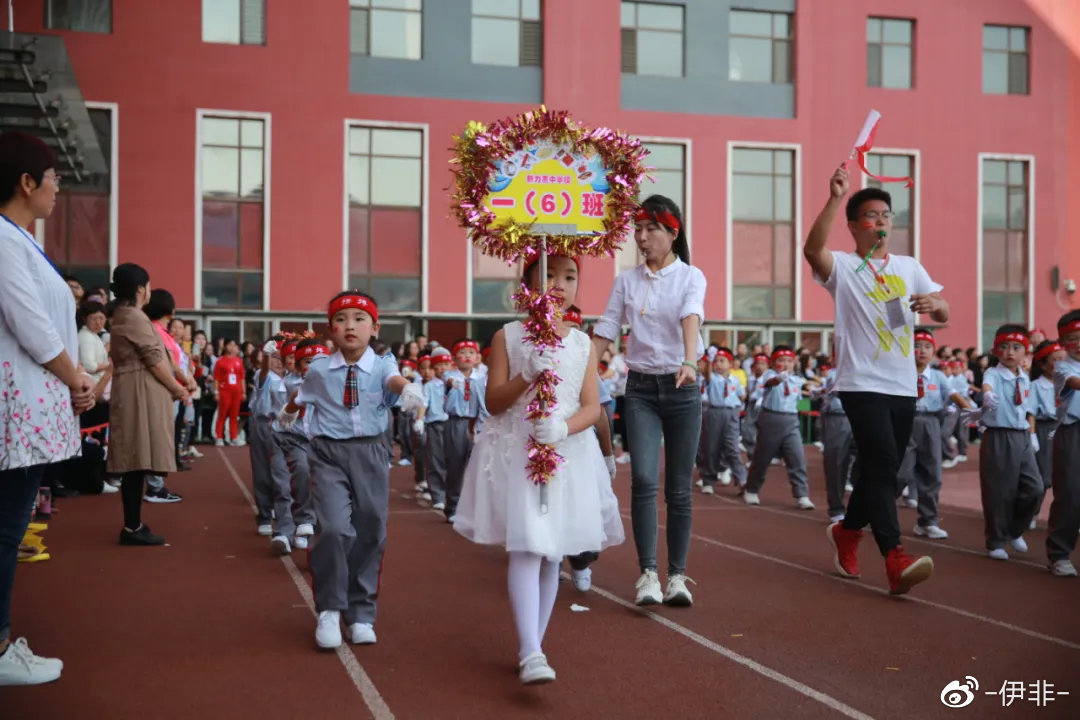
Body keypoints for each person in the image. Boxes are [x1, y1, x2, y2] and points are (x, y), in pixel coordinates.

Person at [453, 251, 623, 684]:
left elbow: (591, 406)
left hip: (567, 453)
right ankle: (530, 650)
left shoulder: (582, 343)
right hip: (519, 453)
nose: (561, 284)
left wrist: (563, 427)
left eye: (570, 276)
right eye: (549, 275)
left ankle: (535, 643)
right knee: (528, 545)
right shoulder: (508, 336)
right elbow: (492, 402)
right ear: (528, 283)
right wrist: (525, 376)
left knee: (552, 554)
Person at [804, 167, 944, 595]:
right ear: (853, 225)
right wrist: (834, 198)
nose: (881, 222)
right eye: (870, 216)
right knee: (883, 460)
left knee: (881, 468)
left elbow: (943, 313)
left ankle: (848, 531)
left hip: (902, 384)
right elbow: (813, 250)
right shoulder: (844, 267)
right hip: (860, 382)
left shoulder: (908, 266)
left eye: (886, 215)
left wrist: (936, 304)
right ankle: (894, 555)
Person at [277, 291, 422, 649]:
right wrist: (288, 413)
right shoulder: (320, 370)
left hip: (371, 453)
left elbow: (394, 382)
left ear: (375, 327)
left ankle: (360, 613)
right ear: (331, 330)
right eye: (341, 320)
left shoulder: (383, 365)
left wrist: (409, 391)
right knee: (335, 529)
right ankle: (329, 608)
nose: (350, 326)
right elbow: (300, 396)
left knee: (371, 529)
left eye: (359, 319)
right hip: (328, 454)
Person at [0, 131, 93, 686]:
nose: (58, 187)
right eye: (53, 176)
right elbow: (31, 324)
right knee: (6, 530)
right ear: (26, 182)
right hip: (17, 410)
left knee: (8, 527)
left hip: (29, 405)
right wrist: (75, 377)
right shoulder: (4, 240)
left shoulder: (18, 239)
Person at [592, 194, 706, 607]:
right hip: (640, 390)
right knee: (642, 480)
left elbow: (690, 314)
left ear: (673, 233)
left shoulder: (691, 276)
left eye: (650, 229)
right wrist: (582, 369)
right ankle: (648, 575)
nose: (641, 237)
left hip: (681, 388)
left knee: (678, 489)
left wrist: (690, 360)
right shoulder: (627, 280)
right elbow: (606, 326)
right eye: (637, 230)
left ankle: (677, 576)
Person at [106, 264, 189, 545]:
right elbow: (154, 359)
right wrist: (176, 388)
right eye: (148, 285)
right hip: (137, 393)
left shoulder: (130, 316)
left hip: (138, 390)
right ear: (140, 289)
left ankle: (134, 523)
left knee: (138, 459)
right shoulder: (132, 317)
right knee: (135, 459)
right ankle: (132, 526)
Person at [899, 328, 971, 540]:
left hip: (931, 423)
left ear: (933, 352)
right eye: (916, 346)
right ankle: (879, 514)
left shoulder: (938, 376)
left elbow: (953, 395)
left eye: (927, 347)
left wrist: (970, 411)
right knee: (901, 473)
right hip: (906, 422)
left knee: (932, 474)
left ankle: (927, 521)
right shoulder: (901, 373)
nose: (922, 351)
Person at [978, 326, 1041, 560]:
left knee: (1034, 487)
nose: (1010, 353)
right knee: (1000, 491)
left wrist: (1032, 434)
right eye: (1004, 347)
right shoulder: (994, 373)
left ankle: (1015, 530)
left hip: (1022, 436)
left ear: (1026, 352)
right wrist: (986, 394)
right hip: (999, 435)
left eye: (1016, 348)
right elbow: (988, 385)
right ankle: (996, 540)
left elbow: (1028, 409)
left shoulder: (1024, 378)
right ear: (996, 351)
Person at [742, 347, 818, 509]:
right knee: (762, 458)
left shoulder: (796, 379)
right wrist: (780, 378)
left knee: (797, 458)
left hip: (791, 420)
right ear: (773, 363)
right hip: (771, 418)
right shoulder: (769, 375)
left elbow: (803, 396)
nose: (785, 364)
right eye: (781, 361)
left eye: (789, 361)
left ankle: (802, 494)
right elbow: (771, 383)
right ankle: (752, 489)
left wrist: (818, 392)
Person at [1045, 312, 1080, 576]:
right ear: (1061, 342)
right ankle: (1059, 553)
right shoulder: (1063, 367)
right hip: (1072, 432)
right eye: (1072, 339)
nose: (1078, 344)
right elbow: (1075, 384)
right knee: (1070, 494)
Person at [441, 339, 487, 522]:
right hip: (457, 422)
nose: (467, 356)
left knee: (479, 466)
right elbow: (448, 382)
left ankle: (476, 509)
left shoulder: (483, 378)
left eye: (471, 352)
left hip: (480, 423)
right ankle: (452, 507)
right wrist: (453, 384)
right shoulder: (449, 377)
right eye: (462, 352)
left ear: (478, 357)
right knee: (455, 466)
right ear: (454, 358)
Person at [701, 347, 745, 495]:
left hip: (731, 413)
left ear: (730, 364)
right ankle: (709, 480)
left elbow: (742, 395)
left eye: (722, 361)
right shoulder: (712, 378)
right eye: (716, 361)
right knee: (712, 448)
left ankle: (742, 479)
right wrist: (708, 360)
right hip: (714, 412)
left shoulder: (735, 379)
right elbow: (706, 374)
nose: (718, 364)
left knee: (732, 448)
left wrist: (738, 402)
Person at [1029, 340, 1063, 527]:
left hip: (1067, 428)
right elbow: (1031, 413)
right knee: (1043, 478)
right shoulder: (1036, 386)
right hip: (1045, 429)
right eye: (1055, 360)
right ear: (1043, 364)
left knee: (1070, 476)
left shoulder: (1071, 382)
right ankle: (1032, 513)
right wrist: (1032, 435)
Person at [213, 339, 246, 446]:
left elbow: (242, 378)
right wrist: (216, 392)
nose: (232, 347)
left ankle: (234, 437)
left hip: (236, 391)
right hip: (224, 390)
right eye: (229, 345)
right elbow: (216, 378)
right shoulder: (220, 361)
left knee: (234, 415)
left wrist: (243, 392)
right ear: (225, 347)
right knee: (222, 414)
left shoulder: (239, 361)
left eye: (234, 345)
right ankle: (219, 437)